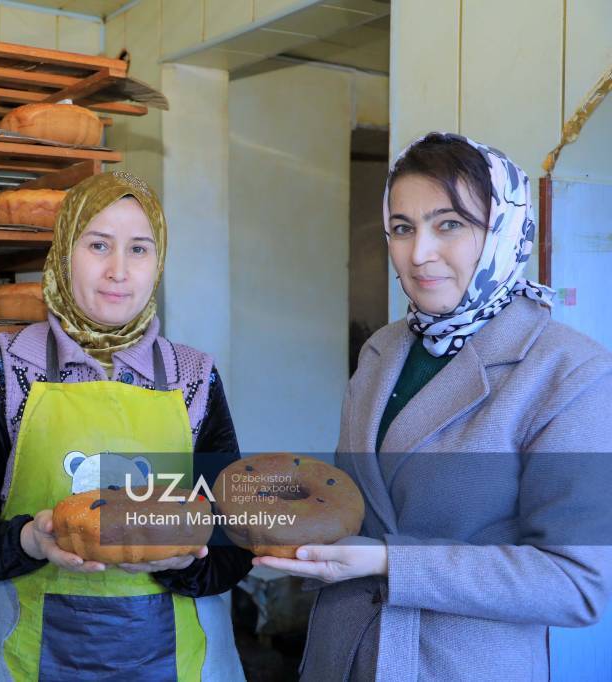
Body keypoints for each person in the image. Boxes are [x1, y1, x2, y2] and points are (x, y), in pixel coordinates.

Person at [255, 133, 612, 680]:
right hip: (341, 653)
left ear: (502, 230)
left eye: (450, 225)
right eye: (402, 228)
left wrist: (390, 561)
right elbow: (360, 499)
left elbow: (575, 583)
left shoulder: (568, 371)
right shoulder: (383, 349)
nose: (419, 253)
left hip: (457, 664)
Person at [0, 170, 252, 681]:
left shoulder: (193, 378)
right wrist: (30, 541)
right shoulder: (8, 370)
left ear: (158, 262)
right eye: (98, 245)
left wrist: (183, 563)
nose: (118, 271)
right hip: (23, 654)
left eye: (139, 249)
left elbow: (235, 542)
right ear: (63, 253)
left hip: (173, 660)